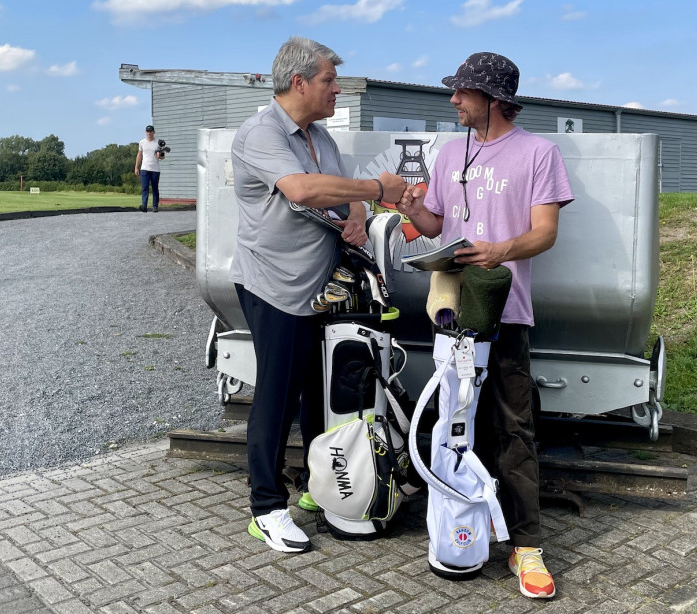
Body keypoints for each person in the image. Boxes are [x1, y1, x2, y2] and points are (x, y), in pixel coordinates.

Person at [396, 52, 573, 599]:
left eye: (463, 93)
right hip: (452, 317)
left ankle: (526, 548)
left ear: (494, 100)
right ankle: (455, 531)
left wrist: (501, 249)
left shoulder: (540, 153)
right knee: (450, 426)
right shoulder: (450, 152)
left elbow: (544, 233)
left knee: (513, 430)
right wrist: (413, 208)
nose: (453, 101)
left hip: (509, 316)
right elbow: (436, 224)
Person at [230, 36, 407, 554]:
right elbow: (304, 190)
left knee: (316, 393)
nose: (336, 90)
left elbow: (338, 186)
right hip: (273, 286)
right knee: (278, 394)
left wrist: (356, 217)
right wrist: (378, 192)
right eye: (330, 80)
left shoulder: (319, 135)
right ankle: (266, 507)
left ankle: (315, 487)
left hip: (320, 290)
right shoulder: (260, 133)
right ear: (300, 81)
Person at [135, 125, 162, 212]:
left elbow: (162, 156)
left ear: (154, 132)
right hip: (144, 168)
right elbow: (139, 155)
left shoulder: (158, 142)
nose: (149, 133)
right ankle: (144, 206)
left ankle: (155, 206)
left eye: (150, 131)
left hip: (155, 169)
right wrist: (136, 167)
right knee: (144, 188)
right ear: (145, 132)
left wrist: (159, 155)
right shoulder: (142, 142)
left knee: (155, 188)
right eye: (147, 131)